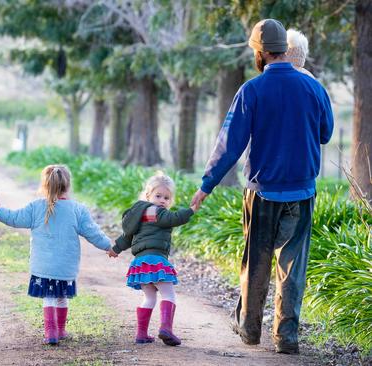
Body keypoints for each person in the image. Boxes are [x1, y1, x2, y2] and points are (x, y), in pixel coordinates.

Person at [190, 19, 334, 354]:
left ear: (260, 51)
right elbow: (325, 133)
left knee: (256, 262)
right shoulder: (314, 88)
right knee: (292, 267)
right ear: (284, 48)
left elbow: (231, 143)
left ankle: (250, 329)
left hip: (262, 192)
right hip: (302, 192)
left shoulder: (252, 90)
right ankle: (286, 338)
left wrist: (205, 186)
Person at [0, 164, 115, 345]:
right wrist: (108, 246)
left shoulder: (35, 207)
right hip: (65, 267)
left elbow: (14, 218)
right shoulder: (77, 209)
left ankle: (50, 333)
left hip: (43, 267)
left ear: (44, 186)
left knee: (49, 298)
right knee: (62, 297)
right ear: (68, 185)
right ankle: (61, 330)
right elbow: (93, 232)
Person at [109, 172, 197, 346]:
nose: (162, 200)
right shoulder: (156, 212)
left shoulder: (138, 215)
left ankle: (141, 334)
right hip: (156, 260)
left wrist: (115, 249)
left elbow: (127, 237)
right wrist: (191, 210)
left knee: (149, 297)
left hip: (140, 262)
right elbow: (173, 218)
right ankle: (166, 329)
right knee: (168, 294)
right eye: (158, 196)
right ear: (148, 195)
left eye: (166, 197)